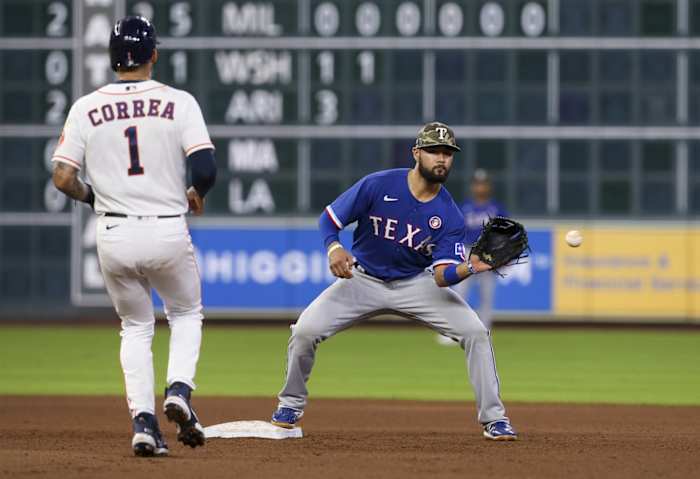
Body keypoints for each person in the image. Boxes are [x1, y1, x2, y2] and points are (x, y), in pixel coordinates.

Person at [270, 122, 518, 441]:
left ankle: (494, 419)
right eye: (434, 151)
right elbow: (329, 220)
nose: (441, 158)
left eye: (447, 153)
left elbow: (443, 276)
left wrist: (472, 266)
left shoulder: (450, 215)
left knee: (475, 332)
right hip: (362, 280)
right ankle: (290, 405)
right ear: (417, 153)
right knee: (305, 331)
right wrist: (334, 247)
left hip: (417, 284)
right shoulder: (378, 185)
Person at [51, 16, 216, 457]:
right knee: (185, 312)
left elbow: (63, 176)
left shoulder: (86, 107)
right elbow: (205, 169)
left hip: (113, 231)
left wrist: (93, 199)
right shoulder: (177, 101)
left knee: (136, 326)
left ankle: (143, 423)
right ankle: (179, 390)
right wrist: (196, 192)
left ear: (111, 58)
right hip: (165, 227)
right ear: (154, 55)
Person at [451, 169, 508, 331]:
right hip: (468, 252)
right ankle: (452, 331)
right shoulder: (464, 207)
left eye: (483, 184)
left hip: (489, 254)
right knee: (459, 293)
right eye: (477, 184)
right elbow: (455, 231)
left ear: (489, 186)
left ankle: (484, 331)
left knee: (487, 296)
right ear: (472, 187)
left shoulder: (496, 208)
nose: (480, 187)